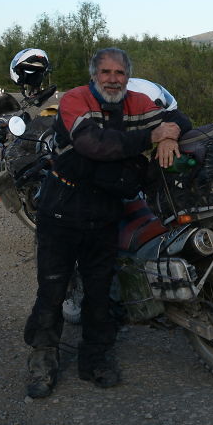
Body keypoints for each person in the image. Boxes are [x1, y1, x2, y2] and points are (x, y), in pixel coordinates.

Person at [23, 47, 187, 398]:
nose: (113, 79)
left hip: (105, 212)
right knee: (52, 290)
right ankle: (42, 359)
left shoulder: (137, 102)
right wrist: (151, 137)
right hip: (62, 210)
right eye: (106, 72)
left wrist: (170, 132)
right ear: (93, 74)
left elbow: (179, 117)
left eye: (120, 73)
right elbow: (93, 144)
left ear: (128, 76)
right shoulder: (74, 100)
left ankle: (95, 359)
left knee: (100, 294)